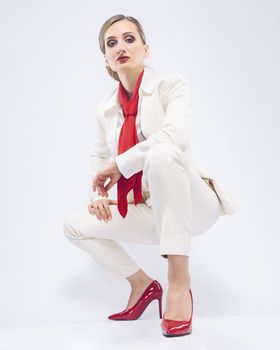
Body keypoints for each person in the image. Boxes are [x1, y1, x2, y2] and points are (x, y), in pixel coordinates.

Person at [63, 14, 240, 337]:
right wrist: (99, 197)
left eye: (130, 39)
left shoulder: (171, 86)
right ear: (105, 58)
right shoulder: (104, 109)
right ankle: (142, 285)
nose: (121, 47)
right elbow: (98, 158)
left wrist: (120, 165)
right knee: (74, 225)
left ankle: (179, 281)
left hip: (193, 205)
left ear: (146, 48)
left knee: (162, 152)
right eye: (111, 43)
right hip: (149, 209)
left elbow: (176, 137)